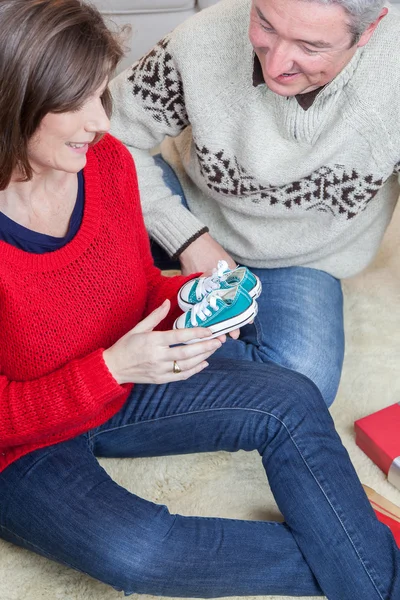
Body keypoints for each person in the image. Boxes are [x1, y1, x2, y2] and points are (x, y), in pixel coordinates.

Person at [0, 1, 399, 599]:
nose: (103, 123)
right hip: (20, 441)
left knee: (292, 395)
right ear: (15, 102)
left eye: (103, 98)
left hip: (122, 377)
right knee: (140, 552)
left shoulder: (102, 162)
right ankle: (368, 558)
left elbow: (133, 287)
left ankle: (363, 565)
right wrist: (111, 368)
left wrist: (196, 298)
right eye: (75, 103)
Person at [110, 0, 399, 408]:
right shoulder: (200, 40)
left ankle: (114, 374)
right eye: (265, 24)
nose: (277, 62)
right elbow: (109, 136)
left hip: (303, 258)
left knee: (303, 380)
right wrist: (187, 238)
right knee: (64, 202)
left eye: (310, 46)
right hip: (190, 204)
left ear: (369, 31)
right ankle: (87, 369)